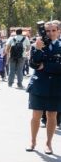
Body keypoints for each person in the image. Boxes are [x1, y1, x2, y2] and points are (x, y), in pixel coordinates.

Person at [26, 21, 60, 154]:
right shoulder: (37, 44)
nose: (50, 33)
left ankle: (48, 143)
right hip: (39, 85)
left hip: (56, 86)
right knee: (36, 115)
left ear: (58, 31)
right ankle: (33, 141)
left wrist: (45, 67)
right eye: (47, 31)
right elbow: (33, 64)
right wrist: (38, 49)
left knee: (52, 115)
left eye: (53, 30)